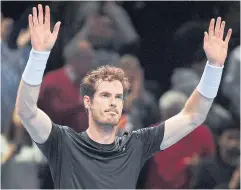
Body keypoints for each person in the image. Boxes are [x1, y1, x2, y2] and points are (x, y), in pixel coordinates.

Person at [15, 4, 232, 189]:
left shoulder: (136, 144)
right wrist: (38, 55)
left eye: (119, 97)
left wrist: (214, 66)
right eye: (105, 95)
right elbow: (26, 110)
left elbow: (194, 115)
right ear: (87, 102)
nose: (113, 102)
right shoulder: (62, 141)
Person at [145, 90, 215, 189]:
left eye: (177, 113)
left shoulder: (202, 132)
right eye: (169, 114)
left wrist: (199, 164)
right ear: (162, 115)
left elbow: (212, 162)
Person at [192, 120, 240, 189]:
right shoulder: (206, 167)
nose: (234, 143)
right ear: (219, 140)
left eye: (238, 138)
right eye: (230, 138)